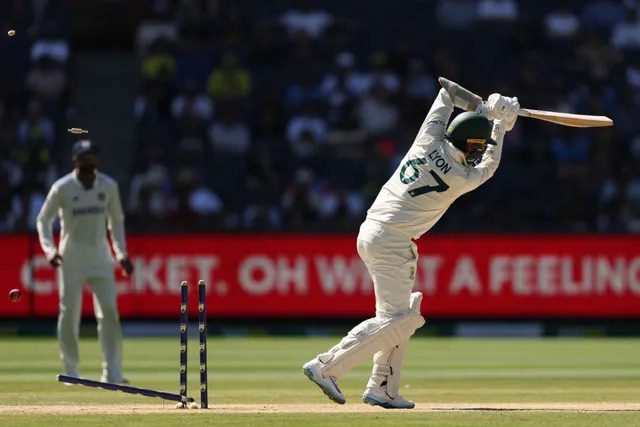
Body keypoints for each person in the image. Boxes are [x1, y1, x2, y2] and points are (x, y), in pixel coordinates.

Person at [302, 81, 520, 409]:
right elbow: (488, 167)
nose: (479, 150)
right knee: (400, 320)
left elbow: (447, 91)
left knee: (401, 313)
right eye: (478, 144)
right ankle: (327, 366)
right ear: (469, 144)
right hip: (392, 242)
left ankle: (384, 387)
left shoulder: (427, 139)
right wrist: (500, 125)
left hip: (372, 230)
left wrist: (483, 108)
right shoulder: (460, 177)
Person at [36, 139, 134, 384]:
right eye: (85, 156)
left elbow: (117, 222)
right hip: (71, 258)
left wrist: (121, 254)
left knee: (109, 312)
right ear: (75, 160)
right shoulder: (63, 187)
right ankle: (71, 372)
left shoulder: (108, 186)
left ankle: (112, 371)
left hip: (101, 257)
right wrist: (49, 250)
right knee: (69, 314)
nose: (90, 160)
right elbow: (43, 221)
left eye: (93, 155)